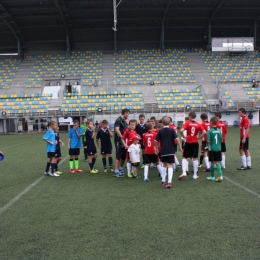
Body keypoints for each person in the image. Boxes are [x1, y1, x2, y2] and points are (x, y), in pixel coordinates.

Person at [155, 117, 182, 189]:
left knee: (164, 165)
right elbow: (177, 139)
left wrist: (156, 148)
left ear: (162, 123)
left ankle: (163, 181)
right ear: (170, 123)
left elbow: (156, 140)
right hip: (171, 150)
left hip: (163, 150)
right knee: (170, 165)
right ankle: (169, 182)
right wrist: (180, 147)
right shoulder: (172, 130)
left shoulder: (160, 131)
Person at [179, 111, 206, 180]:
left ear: (190, 116)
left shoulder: (187, 123)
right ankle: (195, 175)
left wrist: (184, 136)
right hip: (195, 142)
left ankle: (184, 172)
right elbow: (204, 132)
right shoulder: (198, 124)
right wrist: (199, 137)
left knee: (185, 157)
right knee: (195, 158)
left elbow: (181, 130)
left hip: (188, 142)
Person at [114, 108, 130, 177]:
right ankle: (116, 171)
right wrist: (122, 137)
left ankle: (121, 167)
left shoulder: (124, 121)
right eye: (128, 114)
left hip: (124, 141)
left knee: (123, 155)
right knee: (118, 155)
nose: (128, 115)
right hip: (119, 140)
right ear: (125, 113)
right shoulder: (118, 120)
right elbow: (117, 129)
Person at [206, 117, 223, 182]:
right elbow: (221, 140)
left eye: (210, 122)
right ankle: (220, 176)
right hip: (218, 148)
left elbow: (208, 141)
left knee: (212, 162)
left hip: (212, 149)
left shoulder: (210, 131)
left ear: (212, 122)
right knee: (218, 162)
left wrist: (206, 146)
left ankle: (212, 176)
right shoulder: (219, 130)